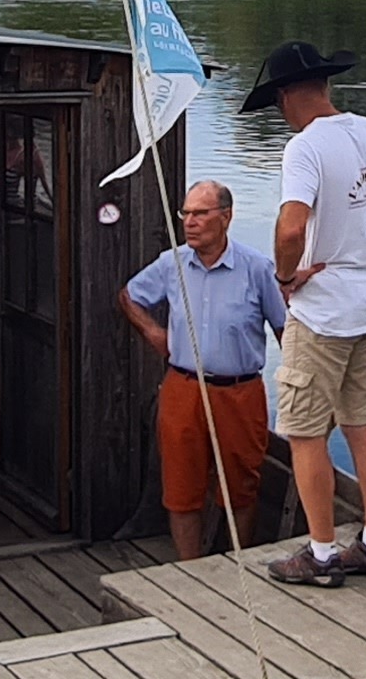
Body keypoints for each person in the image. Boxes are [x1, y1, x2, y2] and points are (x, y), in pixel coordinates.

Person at [247, 40, 366, 586]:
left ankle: (322, 555)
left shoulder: (305, 148)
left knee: (306, 433)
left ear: (286, 97)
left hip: (323, 315)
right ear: (326, 85)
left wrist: (286, 278)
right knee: (364, 426)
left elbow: (290, 228)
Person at [117, 178, 290, 562]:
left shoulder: (257, 269)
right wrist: (153, 331)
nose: (190, 222)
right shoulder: (171, 264)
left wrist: (299, 385)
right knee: (181, 487)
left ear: (225, 217)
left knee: (241, 486)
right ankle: (190, 568)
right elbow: (129, 295)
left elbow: (285, 331)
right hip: (184, 388)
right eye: (185, 214)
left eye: (200, 213)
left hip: (240, 392)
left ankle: (238, 564)